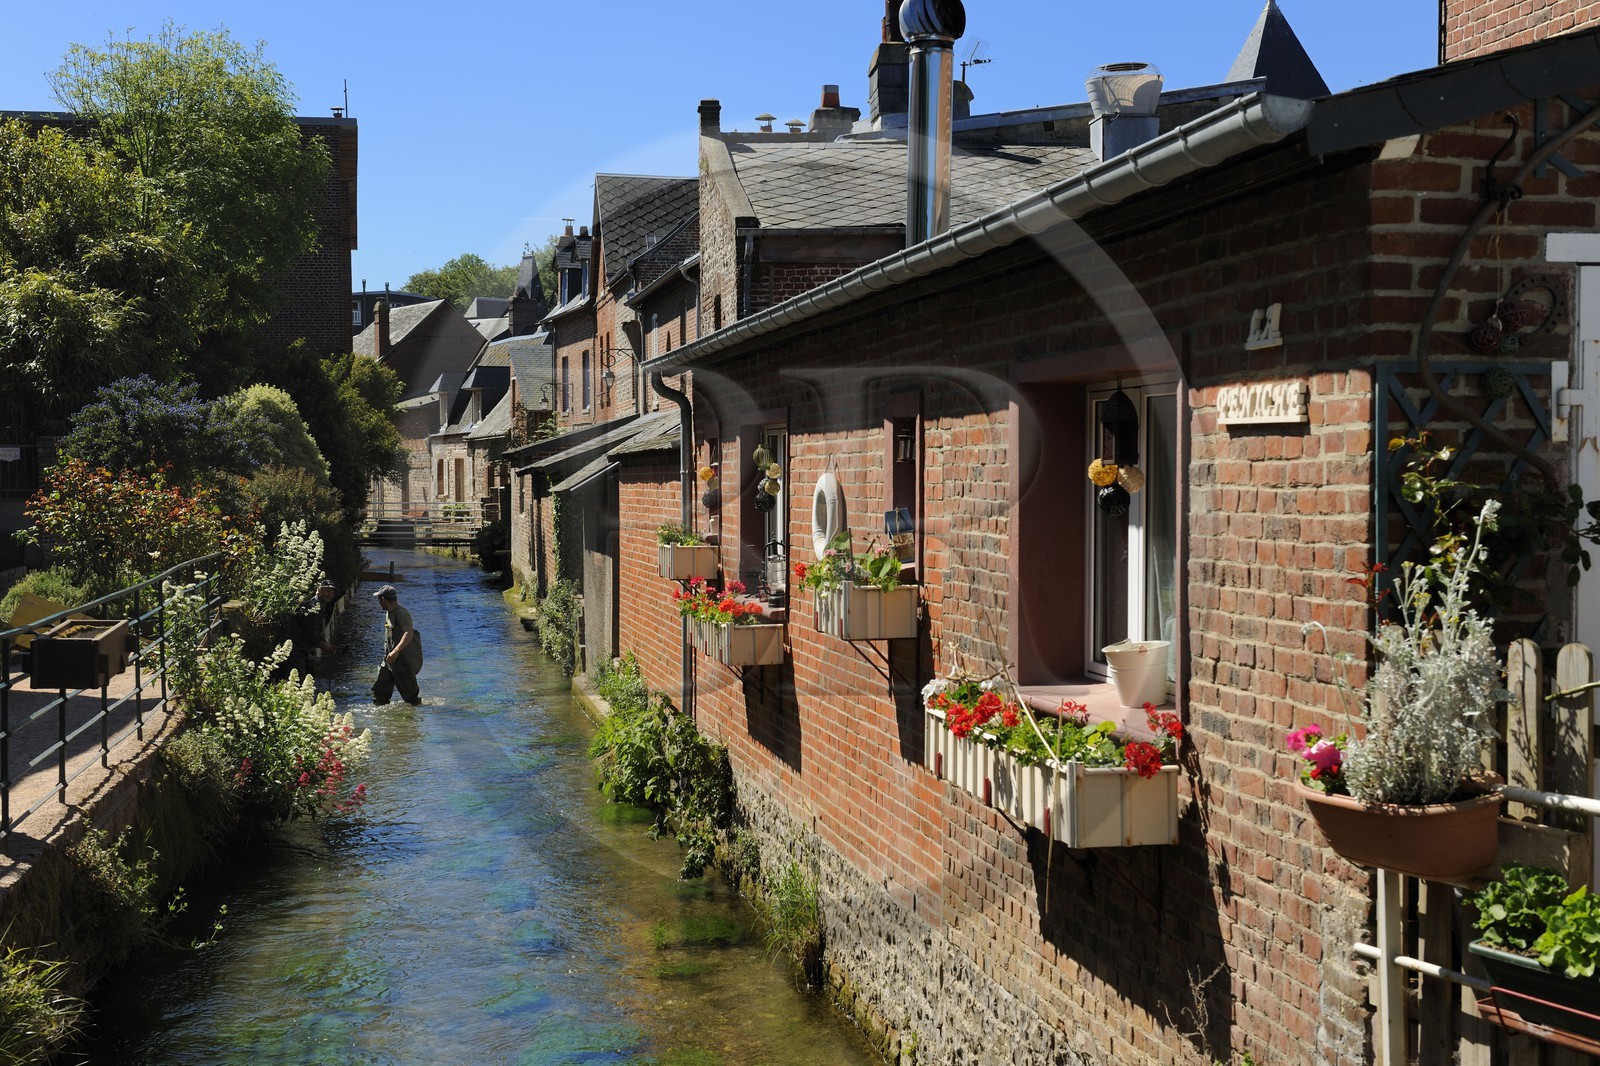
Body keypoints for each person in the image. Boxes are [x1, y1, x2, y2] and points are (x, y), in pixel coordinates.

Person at [372, 584, 423, 705]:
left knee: (411, 699)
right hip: (389, 661)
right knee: (379, 693)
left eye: (379, 599)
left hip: (402, 662)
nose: (378, 602)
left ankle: (414, 721)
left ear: (383, 599)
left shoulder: (401, 613)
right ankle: (383, 720)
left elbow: (408, 633)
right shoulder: (389, 613)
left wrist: (395, 651)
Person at [286, 583, 339, 680]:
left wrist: (325, 643)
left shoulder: (318, 605)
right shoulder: (312, 607)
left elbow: (315, 631)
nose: (330, 595)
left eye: (332, 593)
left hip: (303, 648)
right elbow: (309, 633)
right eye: (327, 591)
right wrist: (323, 645)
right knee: (298, 679)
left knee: (311, 671)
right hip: (296, 648)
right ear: (319, 591)